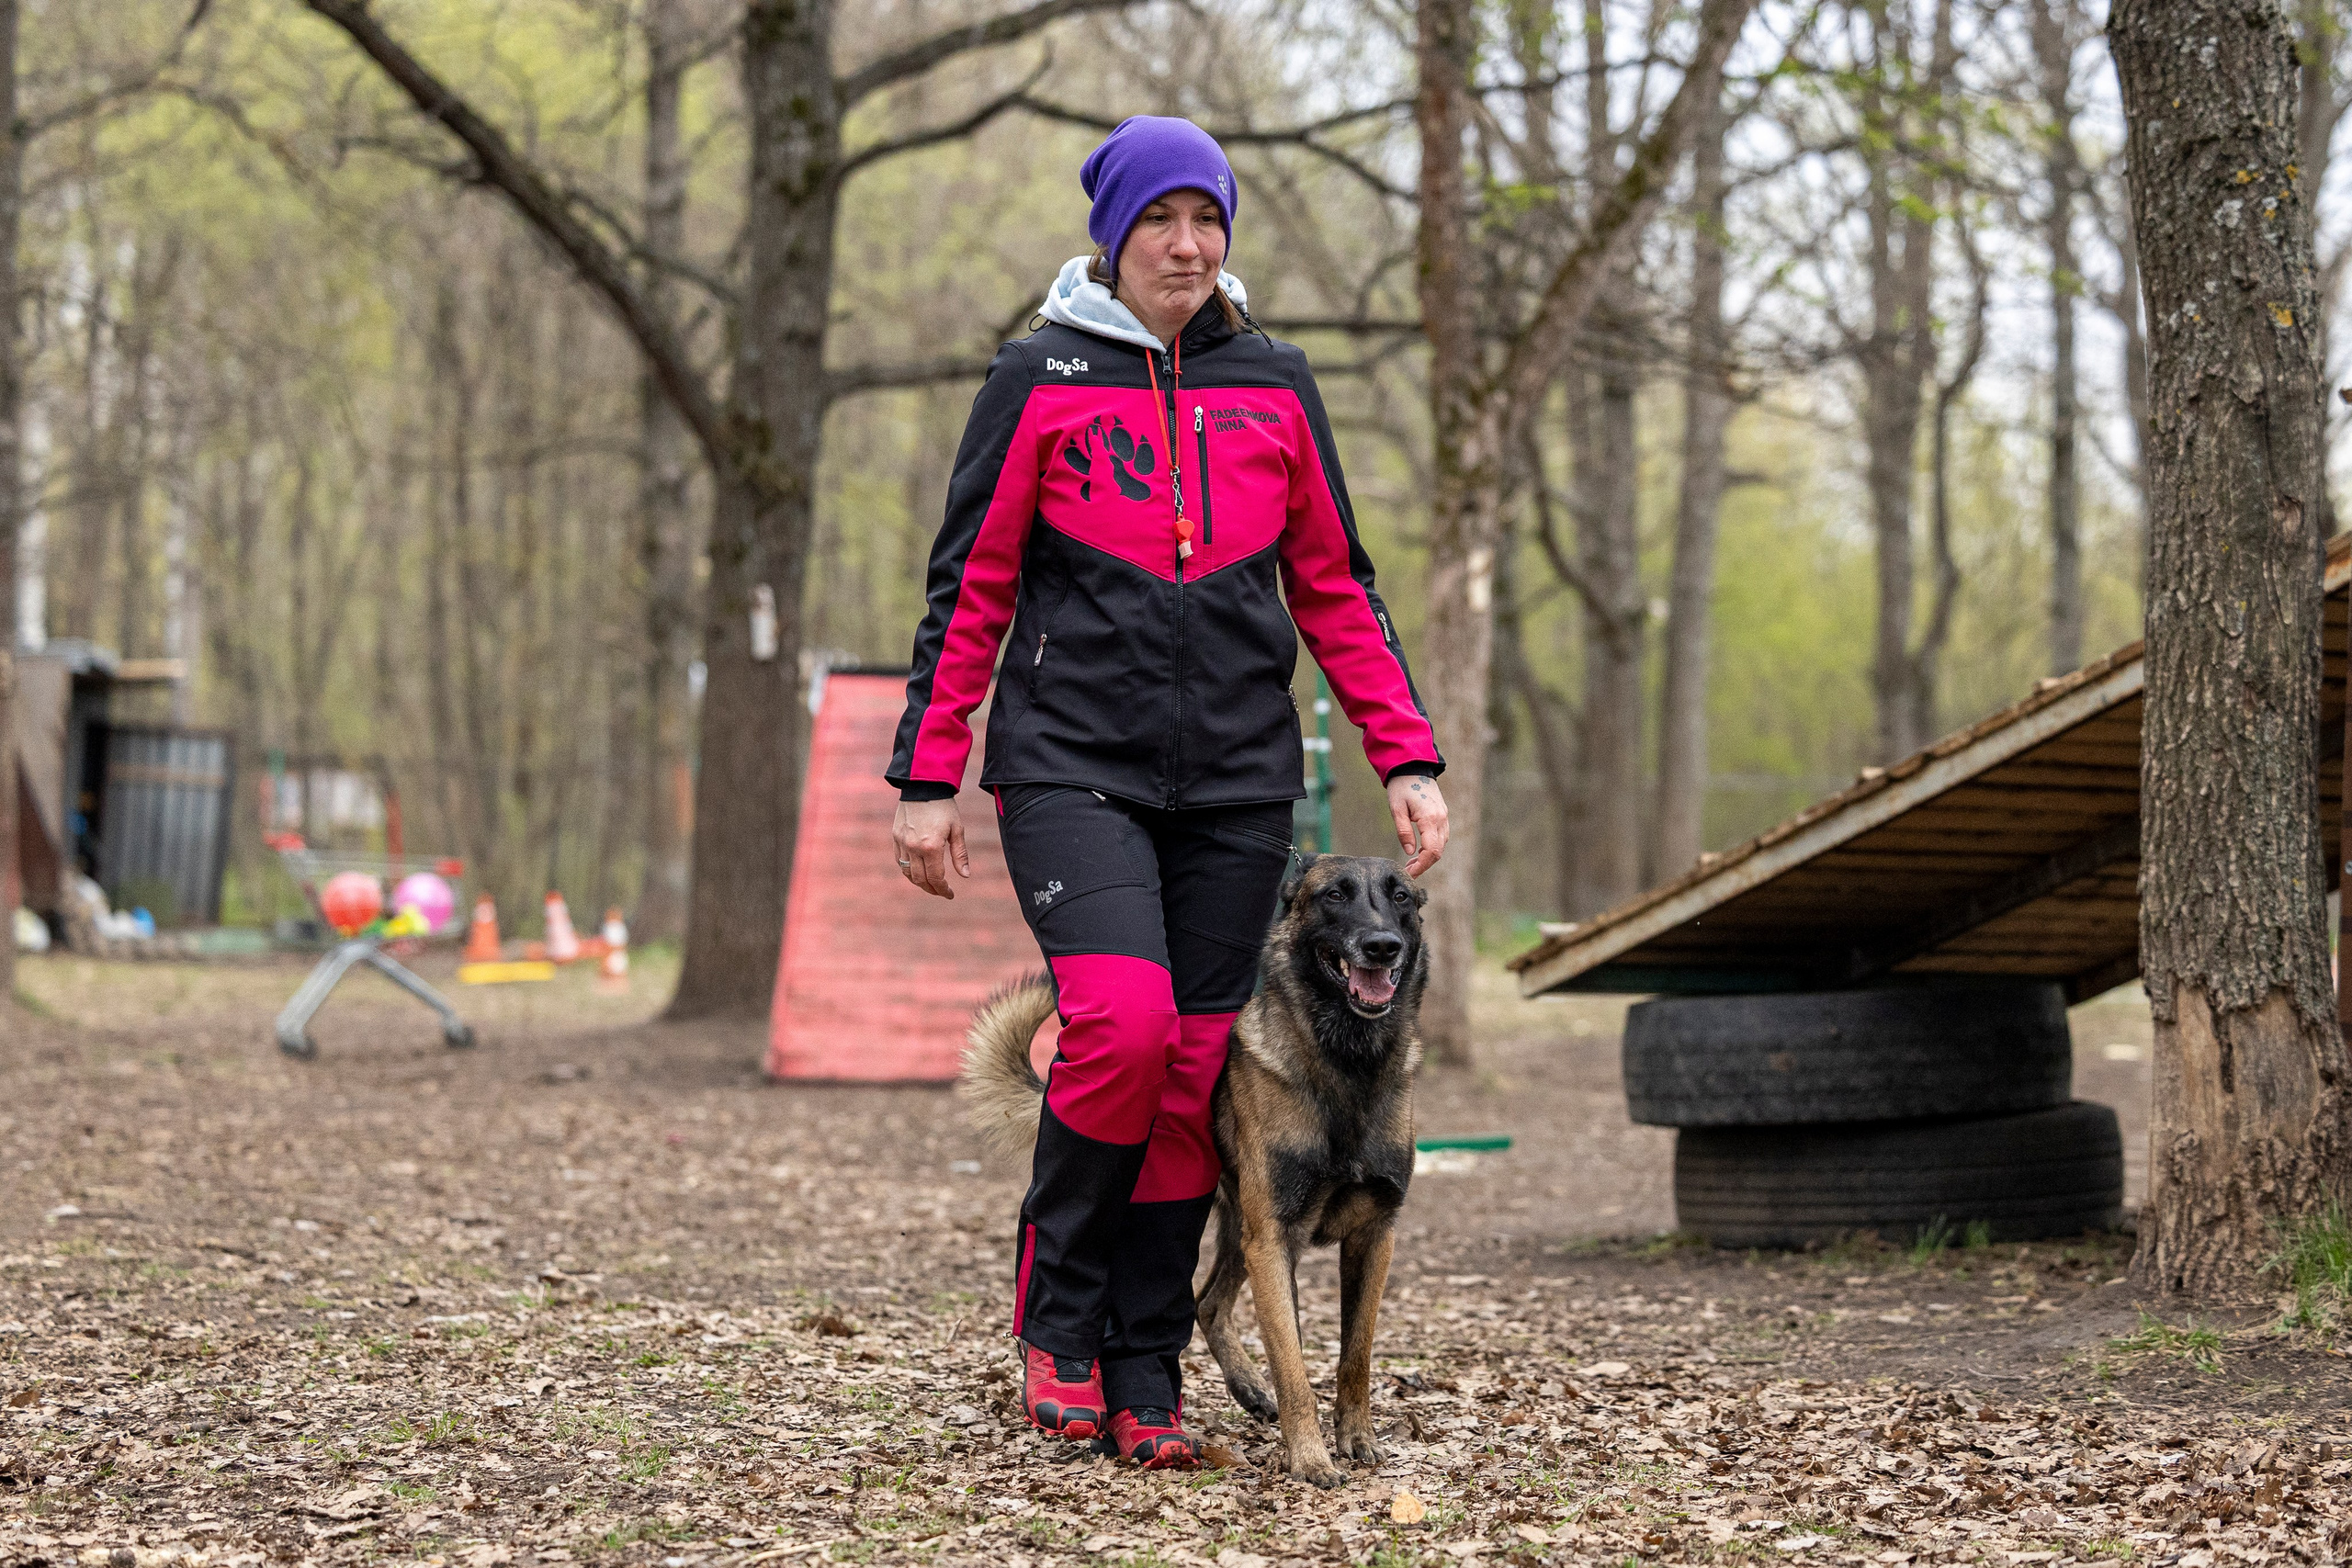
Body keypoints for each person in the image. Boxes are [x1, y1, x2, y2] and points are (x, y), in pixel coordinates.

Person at [887, 115, 1449, 1469]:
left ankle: (1148, 1359)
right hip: (1073, 765)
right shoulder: (1039, 376)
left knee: (1200, 1067)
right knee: (1127, 1027)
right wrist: (928, 774)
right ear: (1113, 234)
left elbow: (1334, 585)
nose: (1187, 246)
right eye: (1160, 223)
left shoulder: (1274, 384)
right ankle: (1060, 1316)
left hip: (1241, 784)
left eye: (1208, 222)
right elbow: (970, 586)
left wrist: (1407, 751)